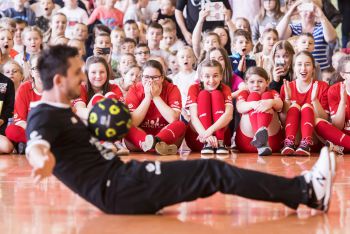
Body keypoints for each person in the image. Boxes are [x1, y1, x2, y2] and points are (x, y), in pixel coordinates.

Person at [26, 45, 335, 214]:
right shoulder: (43, 116)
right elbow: (36, 145)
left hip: (123, 179)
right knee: (214, 172)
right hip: (119, 189)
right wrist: (42, 161)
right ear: (57, 80)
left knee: (213, 173)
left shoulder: (65, 109)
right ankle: (306, 190)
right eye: (78, 73)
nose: (83, 79)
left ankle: (305, 191)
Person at [124, 59, 186, 155]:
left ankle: (155, 143)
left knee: (180, 125)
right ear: (142, 77)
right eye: (147, 77)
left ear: (162, 78)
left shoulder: (172, 88)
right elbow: (134, 122)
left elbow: (173, 119)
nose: (150, 81)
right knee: (126, 125)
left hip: (166, 135)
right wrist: (148, 97)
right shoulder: (134, 89)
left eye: (155, 77)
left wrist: (156, 96)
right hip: (141, 136)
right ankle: (155, 147)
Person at [280, 51, 329, 156]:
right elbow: (283, 120)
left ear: (313, 69)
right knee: (295, 107)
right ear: (293, 68)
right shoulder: (287, 87)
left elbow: (324, 120)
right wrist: (287, 99)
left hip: (314, 139)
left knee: (307, 107)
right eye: (299, 64)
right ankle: (290, 143)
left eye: (307, 64)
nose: (303, 68)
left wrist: (315, 100)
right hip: (292, 140)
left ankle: (305, 143)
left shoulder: (322, 86)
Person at [185, 60, 232, 155]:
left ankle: (220, 141)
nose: (211, 80)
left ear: (221, 76)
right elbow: (193, 117)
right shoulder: (194, 88)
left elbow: (228, 115)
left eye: (215, 76)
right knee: (203, 94)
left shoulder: (225, 88)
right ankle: (207, 144)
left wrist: (208, 132)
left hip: (220, 137)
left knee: (217, 94)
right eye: (207, 76)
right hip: (199, 138)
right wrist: (206, 136)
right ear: (201, 77)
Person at [276, 0, 337, 70]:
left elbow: (331, 39)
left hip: (321, 71)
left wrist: (321, 16)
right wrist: (289, 13)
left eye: (312, 9)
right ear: (299, 10)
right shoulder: (293, 28)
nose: (309, 13)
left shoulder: (322, 27)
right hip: (300, 72)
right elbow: (278, 36)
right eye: (305, 9)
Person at [236, 67, 283, 156]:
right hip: (247, 142)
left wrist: (271, 102)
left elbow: (280, 105)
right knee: (253, 96)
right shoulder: (244, 93)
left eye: (260, 81)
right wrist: (252, 104)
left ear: (267, 82)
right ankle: (260, 138)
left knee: (267, 96)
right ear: (246, 83)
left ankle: (262, 138)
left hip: (271, 143)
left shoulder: (272, 92)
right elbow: (240, 107)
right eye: (252, 82)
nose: (256, 85)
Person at [315, 55, 350, 153]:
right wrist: (343, 102)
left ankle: (340, 148)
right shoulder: (334, 90)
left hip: (341, 143)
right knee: (318, 123)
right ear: (343, 75)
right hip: (342, 136)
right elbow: (337, 126)